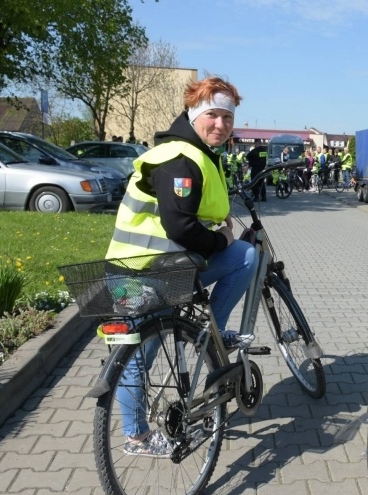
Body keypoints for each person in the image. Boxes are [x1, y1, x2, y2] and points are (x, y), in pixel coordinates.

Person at [105, 75, 259, 457]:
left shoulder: (197, 153)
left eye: (227, 117)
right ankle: (137, 436)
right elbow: (179, 226)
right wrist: (221, 240)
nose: (220, 124)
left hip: (144, 266)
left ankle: (208, 336)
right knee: (141, 353)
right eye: (213, 115)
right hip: (152, 274)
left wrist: (216, 227)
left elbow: (184, 214)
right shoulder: (179, 159)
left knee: (137, 352)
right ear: (193, 114)